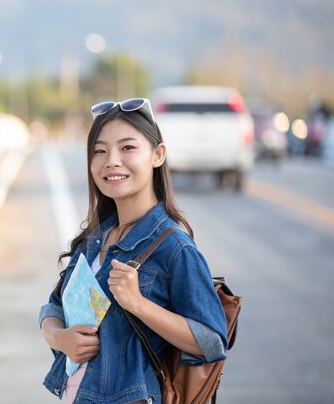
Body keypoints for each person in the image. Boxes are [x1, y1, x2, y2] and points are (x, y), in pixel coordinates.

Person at [39, 98, 228, 404]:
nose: (111, 160)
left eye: (127, 148)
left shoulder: (175, 249)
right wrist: (61, 339)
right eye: (100, 151)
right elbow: (52, 309)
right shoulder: (94, 239)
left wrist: (138, 304)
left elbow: (211, 341)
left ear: (158, 154)